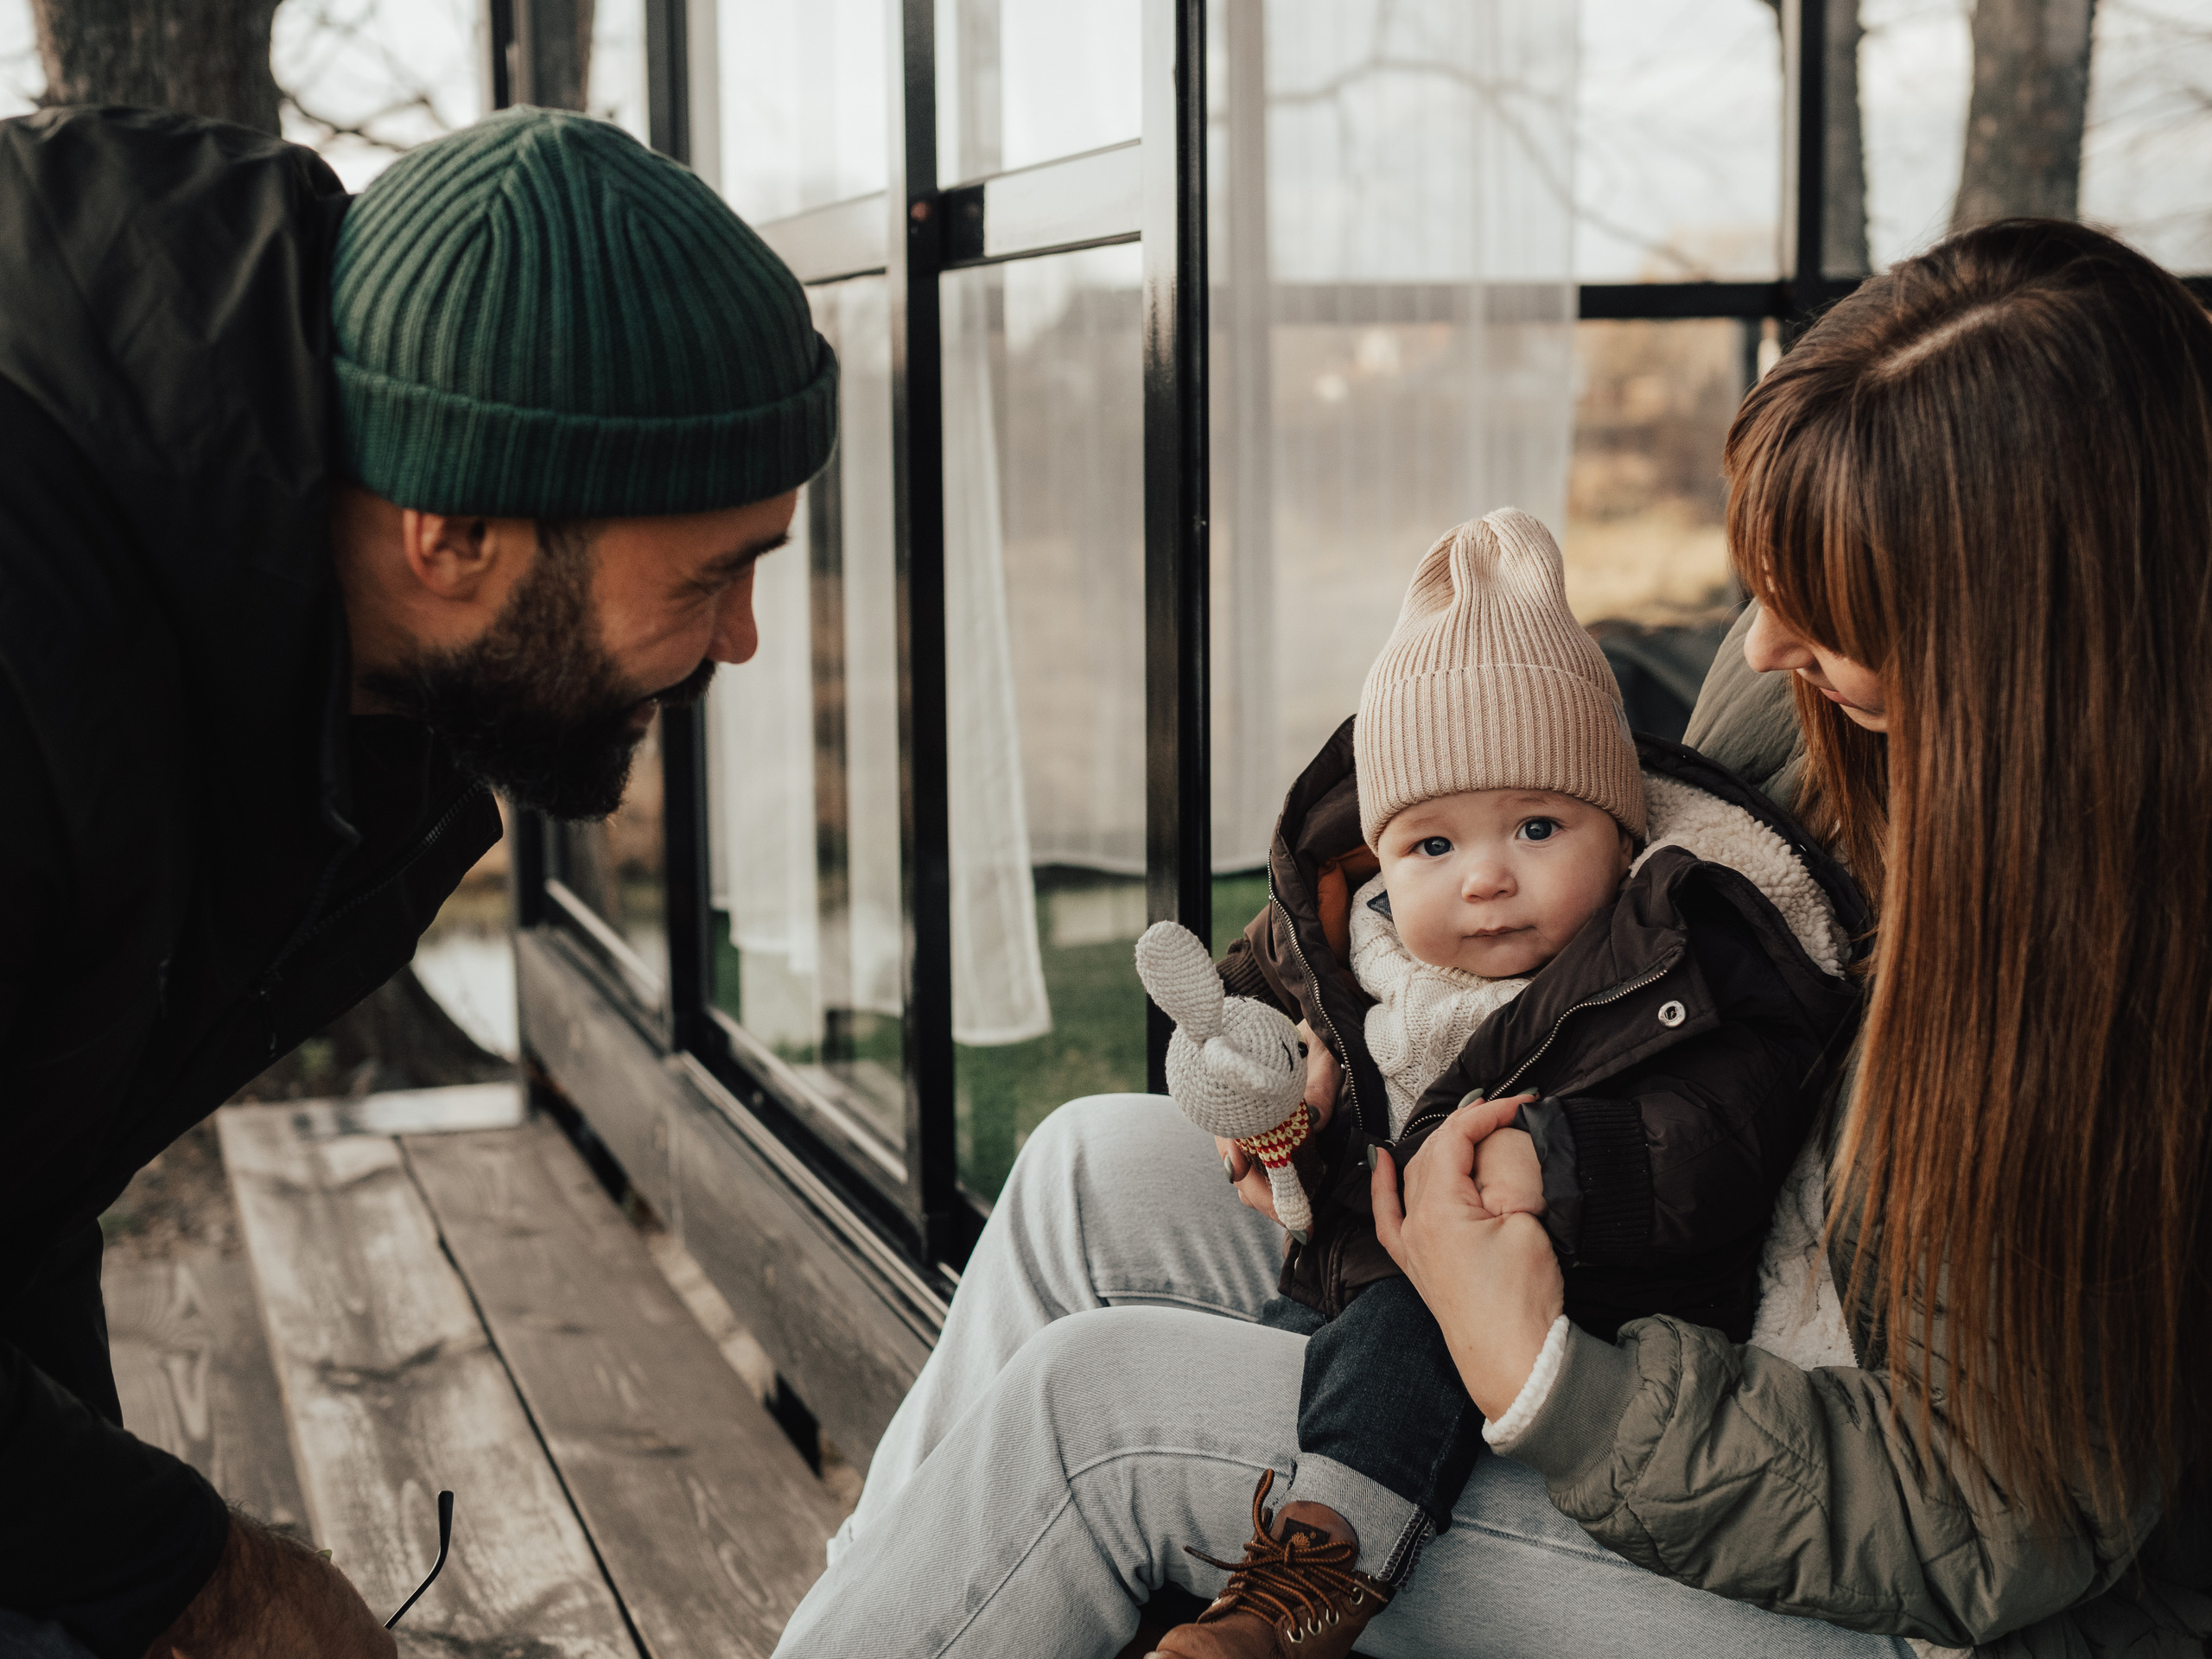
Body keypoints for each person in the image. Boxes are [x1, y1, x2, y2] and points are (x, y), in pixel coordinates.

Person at [771, 219, 2212, 1659]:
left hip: (1902, 1603)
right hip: (1665, 1288)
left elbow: (1970, 1517)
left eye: (1827, 612)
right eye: (1766, 578)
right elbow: (1595, 955)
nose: (1760, 644)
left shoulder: (2134, 986)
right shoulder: (1806, 711)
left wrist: (1542, 1374)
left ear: (2021, 661)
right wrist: (1337, 1059)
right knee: (1088, 1166)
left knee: (1097, 1422)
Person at [0, 105, 833, 1657]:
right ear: (452, 537)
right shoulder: (30, 643)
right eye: (711, 576)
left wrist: (123, 1582)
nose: (739, 646)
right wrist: (195, 1578)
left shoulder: (384, 691)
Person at [1128, 507, 1865, 1656]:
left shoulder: (1677, 959)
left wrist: (1558, 1168)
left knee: (1398, 1335)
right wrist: (1266, 1088)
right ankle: (1205, 1608)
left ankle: (1308, 1588)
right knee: (1276, 1371)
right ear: (1380, 856)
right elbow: (1231, 1009)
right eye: (1433, 846)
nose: (1485, 880)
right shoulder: (1355, 941)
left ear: (1619, 834)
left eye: (1535, 826)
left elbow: (1718, 1140)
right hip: (1344, 1278)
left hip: (1593, 1316)